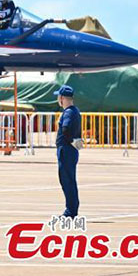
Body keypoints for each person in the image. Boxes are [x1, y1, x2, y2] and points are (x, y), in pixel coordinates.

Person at [55, 85, 82, 217]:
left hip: (66, 150)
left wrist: (70, 140)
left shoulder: (69, 112)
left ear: (62, 98)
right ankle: (72, 209)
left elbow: (65, 129)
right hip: (70, 150)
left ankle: (70, 210)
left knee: (67, 180)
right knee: (69, 179)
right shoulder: (75, 110)